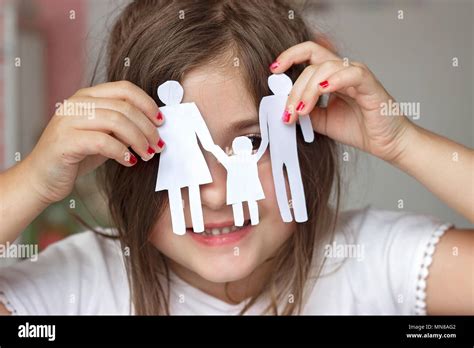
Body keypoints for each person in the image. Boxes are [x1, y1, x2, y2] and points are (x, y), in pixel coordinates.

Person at [0, 0, 472, 315]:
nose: (218, 193)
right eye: (175, 153)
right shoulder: (75, 286)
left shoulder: (375, 260)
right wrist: (33, 181)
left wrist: (403, 142)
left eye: (250, 142)